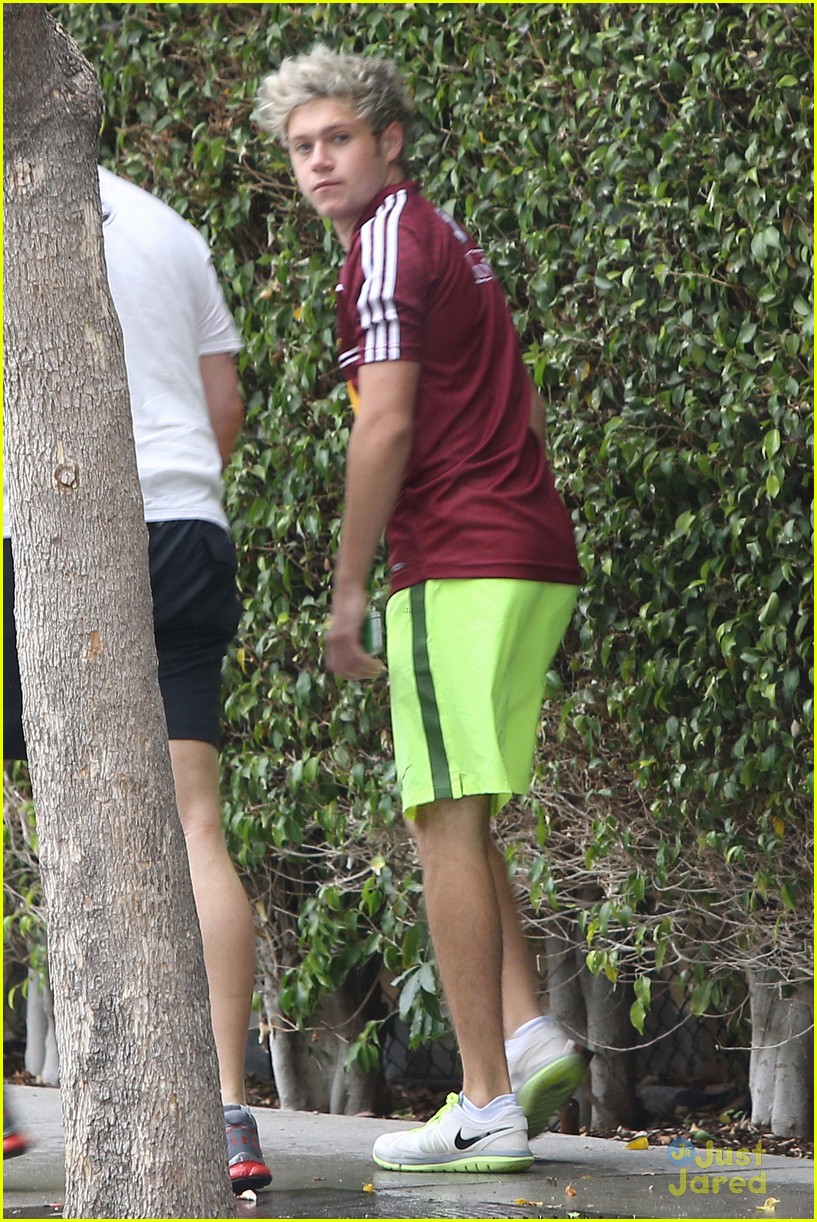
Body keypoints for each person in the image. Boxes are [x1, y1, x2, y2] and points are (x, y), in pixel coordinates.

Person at [254, 45, 587, 1173]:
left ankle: (486, 1101)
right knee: (460, 809)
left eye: (337, 139)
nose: (317, 162)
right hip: (524, 549)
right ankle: (527, 1030)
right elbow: (520, 401)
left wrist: (350, 585)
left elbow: (385, 422)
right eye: (301, 147)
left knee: (440, 813)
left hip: (457, 556)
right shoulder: (440, 235)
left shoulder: (386, 243)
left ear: (388, 140)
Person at [2, 167, 271, 1193]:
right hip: (186, 521)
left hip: (45, 530)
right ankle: (227, 1109)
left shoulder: (17, 209)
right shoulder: (170, 225)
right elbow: (222, 406)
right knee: (195, 819)